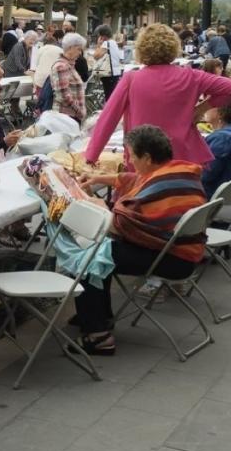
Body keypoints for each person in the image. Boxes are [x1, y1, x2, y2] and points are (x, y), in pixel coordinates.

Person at [74, 125, 208, 356]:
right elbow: (136, 180)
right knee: (103, 251)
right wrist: (100, 178)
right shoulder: (179, 172)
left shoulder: (157, 188)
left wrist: (98, 206)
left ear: (146, 157)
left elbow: (121, 223)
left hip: (173, 258)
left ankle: (98, 336)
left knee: (89, 257)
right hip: (184, 251)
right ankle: (98, 316)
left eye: (132, 156)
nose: (130, 160)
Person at [84, 24, 231, 168]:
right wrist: (201, 108)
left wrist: (91, 157)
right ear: (174, 48)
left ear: (141, 49)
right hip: (183, 156)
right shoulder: (191, 76)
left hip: (144, 158)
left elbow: (108, 119)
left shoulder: (131, 79)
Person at [51, 33, 87, 123]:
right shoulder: (61, 66)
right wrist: (79, 111)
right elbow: (64, 96)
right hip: (66, 117)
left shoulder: (69, 65)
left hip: (71, 115)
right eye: (78, 49)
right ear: (70, 48)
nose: (80, 53)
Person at [93, 25, 124, 100]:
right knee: (112, 96)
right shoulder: (114, 43)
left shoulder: (106, 43)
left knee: (109, 97)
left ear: (102, 35)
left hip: (109, 73)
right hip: (115, 72)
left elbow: (96, 56)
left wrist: (98, 45)